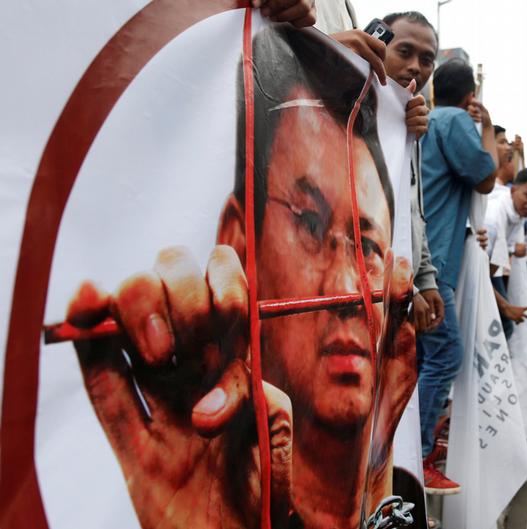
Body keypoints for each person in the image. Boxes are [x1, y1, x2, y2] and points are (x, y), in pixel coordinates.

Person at [64, 24, 413, 528]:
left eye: (370, 247)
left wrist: (378, 460)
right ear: (236, 239)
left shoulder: (390, 480)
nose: (347, 290)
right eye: (309, 224)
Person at [417, 58, 499, 493]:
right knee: (445, 353)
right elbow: (486, 178)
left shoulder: (427, 118)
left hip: (414, 256)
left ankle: (412, 448)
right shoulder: (453, 121)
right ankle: (421, 452)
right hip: (435, 266)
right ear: (470, 95)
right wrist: (484, 125)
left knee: (419, 358)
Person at [381, 11, 444, 338]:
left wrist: (424, 279)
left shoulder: (412, 122)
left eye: (427, 59)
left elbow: (412, 214)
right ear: (379, 45)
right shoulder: (345, 114)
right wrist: (409, 288)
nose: (416, 67)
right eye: (404, 52)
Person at [485, 167, 527, 336]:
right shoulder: (493, 217)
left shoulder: (517, 217)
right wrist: (506, 307)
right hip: (475, 275)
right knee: (503, 328)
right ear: (513, 189)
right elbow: (480, 275)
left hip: (489, 275)